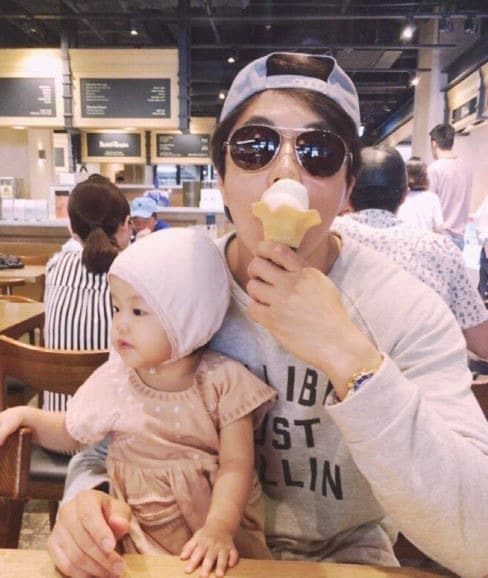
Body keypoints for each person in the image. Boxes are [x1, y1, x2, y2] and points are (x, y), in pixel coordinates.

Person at [46, 52, 488, 578]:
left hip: (344, 560)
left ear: (347, 187)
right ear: (222, 177)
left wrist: (348, 355)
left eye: (319, 152)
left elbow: (479, 541)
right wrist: (86, 498)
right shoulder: (172, 286)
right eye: (255, 147)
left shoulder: (403, 309)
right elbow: (104, 441)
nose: (285, 172)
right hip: (183, 556)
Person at [1, 228, 276, 577]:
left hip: (212, 546)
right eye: (117, 308)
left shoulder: (224, 382)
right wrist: (24, 414)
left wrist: (218, 529)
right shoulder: (116, 380)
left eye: (138, 311)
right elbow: (72, 433)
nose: (120, 325)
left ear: (188, 316)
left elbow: (237, 466)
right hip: (136, 546)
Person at [335, 145, 488, 359]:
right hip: (424, 375)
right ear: (404, 195)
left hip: (339, 373)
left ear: (348, 191)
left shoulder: (327, 238)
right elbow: (481, 341)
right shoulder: (440, 249)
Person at [43, 176, 132, 412]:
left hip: (53, 421)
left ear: (71, 229)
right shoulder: (134, 272)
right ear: (126, 224)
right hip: (114, 427)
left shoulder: (55, 266)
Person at [428, 123, 472, 250]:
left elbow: (429, 205)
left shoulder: (434, 169)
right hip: (460, 238)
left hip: (440, 238)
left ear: (434, 144)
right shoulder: (467, 168)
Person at [396, 156, 444, 232]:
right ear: (425, 177)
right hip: (426, 239)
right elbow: (439, 228)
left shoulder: (399, 198)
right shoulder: (432, 198)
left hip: (403, 239)